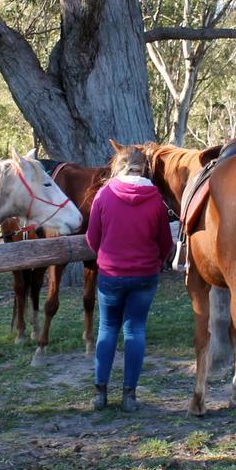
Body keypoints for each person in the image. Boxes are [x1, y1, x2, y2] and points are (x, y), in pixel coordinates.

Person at [86, 144, 174, 411]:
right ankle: (129, 396)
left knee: (107, 328)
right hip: (145, 275)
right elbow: (165, 242)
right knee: (135, 330)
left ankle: (100, 394)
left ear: (117, 165)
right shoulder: (156, 198)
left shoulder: (103, 195)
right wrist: (155, 261)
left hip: (111, 275)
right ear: (144, 167)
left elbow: (92, 238)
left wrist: (105, 255)